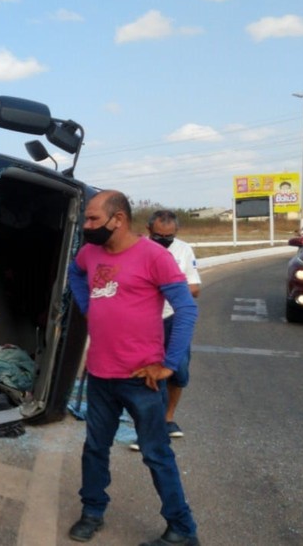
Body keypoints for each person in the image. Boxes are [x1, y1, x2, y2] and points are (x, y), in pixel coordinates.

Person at [66, 191, 200, 546]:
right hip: (100, 375)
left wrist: (169, 365)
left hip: (142, 380)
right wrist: (87, 307)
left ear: (119, 219)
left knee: (156, 454)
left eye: (93, 219)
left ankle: (182, 529)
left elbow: (186, 309)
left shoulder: (153, 256)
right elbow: (75, 273)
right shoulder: (89, 252)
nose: (86, 226)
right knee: (95, 448)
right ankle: (92, 511)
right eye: (86, 219)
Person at [143, 210, 201, 442]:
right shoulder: (138, 249)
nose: (164, 240)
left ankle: (168, 418)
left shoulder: (183, 250)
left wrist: (166, 290)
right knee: (147, 371)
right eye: (159, 236)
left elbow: (194, 288)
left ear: (176, 232)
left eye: (169, 236)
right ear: (149, 231)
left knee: (178, 370)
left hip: (172, 318)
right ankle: (149, 423)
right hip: (145, 321)